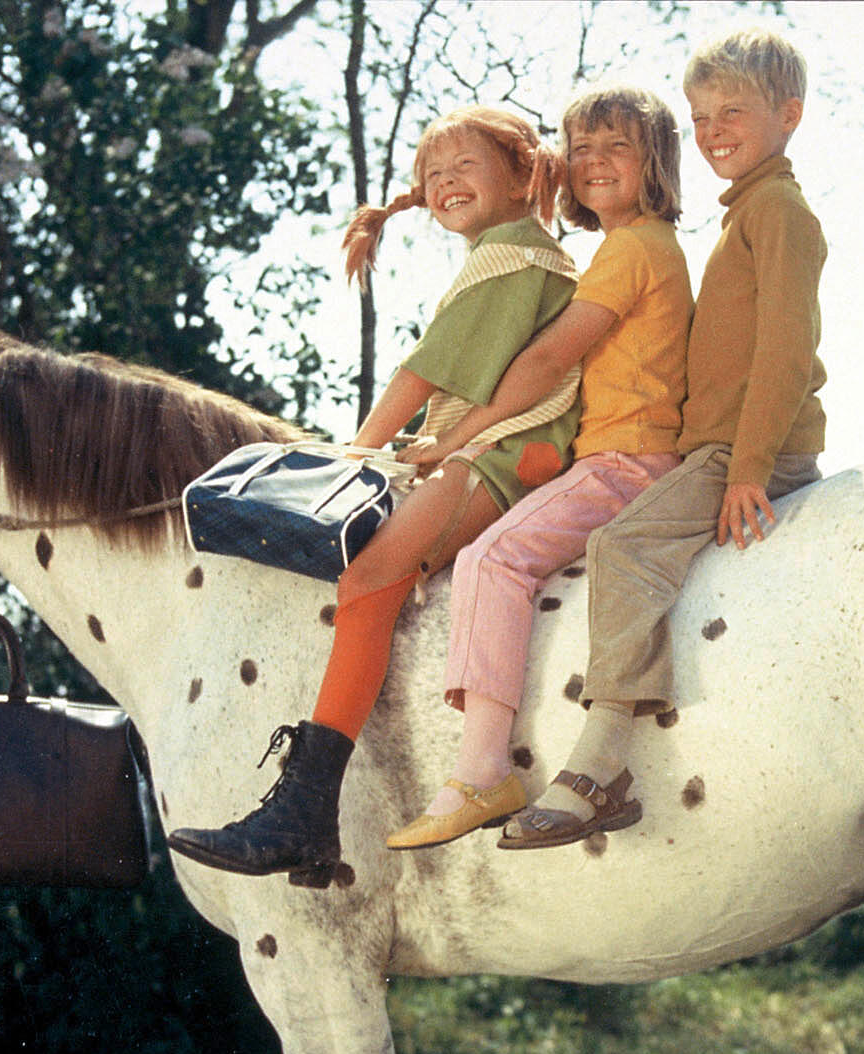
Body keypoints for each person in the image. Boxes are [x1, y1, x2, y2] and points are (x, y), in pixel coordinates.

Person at [166, 106, 579, 878]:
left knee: (369, 578)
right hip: (500, 446)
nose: (446, 183)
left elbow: (425, 374)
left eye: (466, 166)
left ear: (522, 174)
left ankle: (305, 813)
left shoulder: (515, 256)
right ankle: (312, 816)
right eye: (434, 175)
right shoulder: (508, 254)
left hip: (509, 454)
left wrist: (354, 454)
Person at [501, 28, 828, 850]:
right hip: (716, 446)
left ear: (788, 115)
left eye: (735, 113)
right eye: (701, 115)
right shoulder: (743, 214)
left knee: (626, 547)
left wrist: (749, 469)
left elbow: (785, 352)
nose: (715, 130)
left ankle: (602, 761)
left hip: (746, 449)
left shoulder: (781, 213)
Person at [384, 84, 692, 851]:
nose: (593, 162)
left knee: (494, 557)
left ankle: (483, 769)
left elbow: (553, 355)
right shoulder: (625, 249)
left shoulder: (634, 248)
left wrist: (466, 434)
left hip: (626, 460)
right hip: (612, 451)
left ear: (654, 159)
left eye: (616, 146)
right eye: (580, 148)